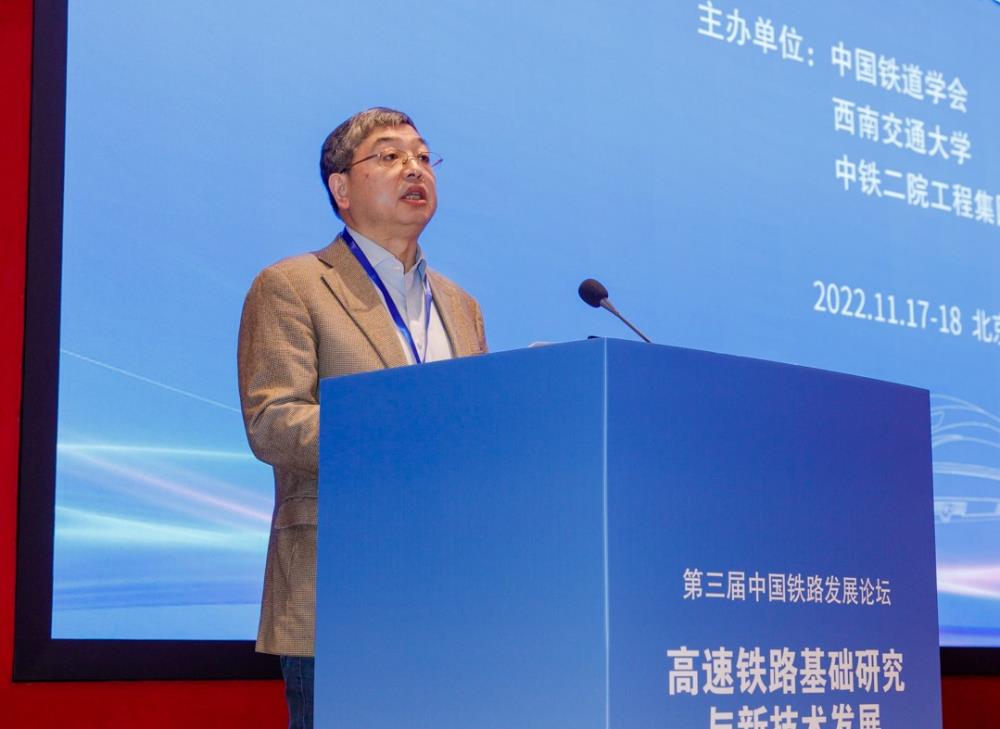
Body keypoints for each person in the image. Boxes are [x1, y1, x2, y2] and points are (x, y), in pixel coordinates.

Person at [237, 107, 488, 729]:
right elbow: (273, 421)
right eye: (390, 155)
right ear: (341, 188)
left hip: (457, 593)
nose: (415, 169)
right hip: (341, 594)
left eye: (423, 156)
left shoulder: (462, 305)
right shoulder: (293, 285)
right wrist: (404, 434)